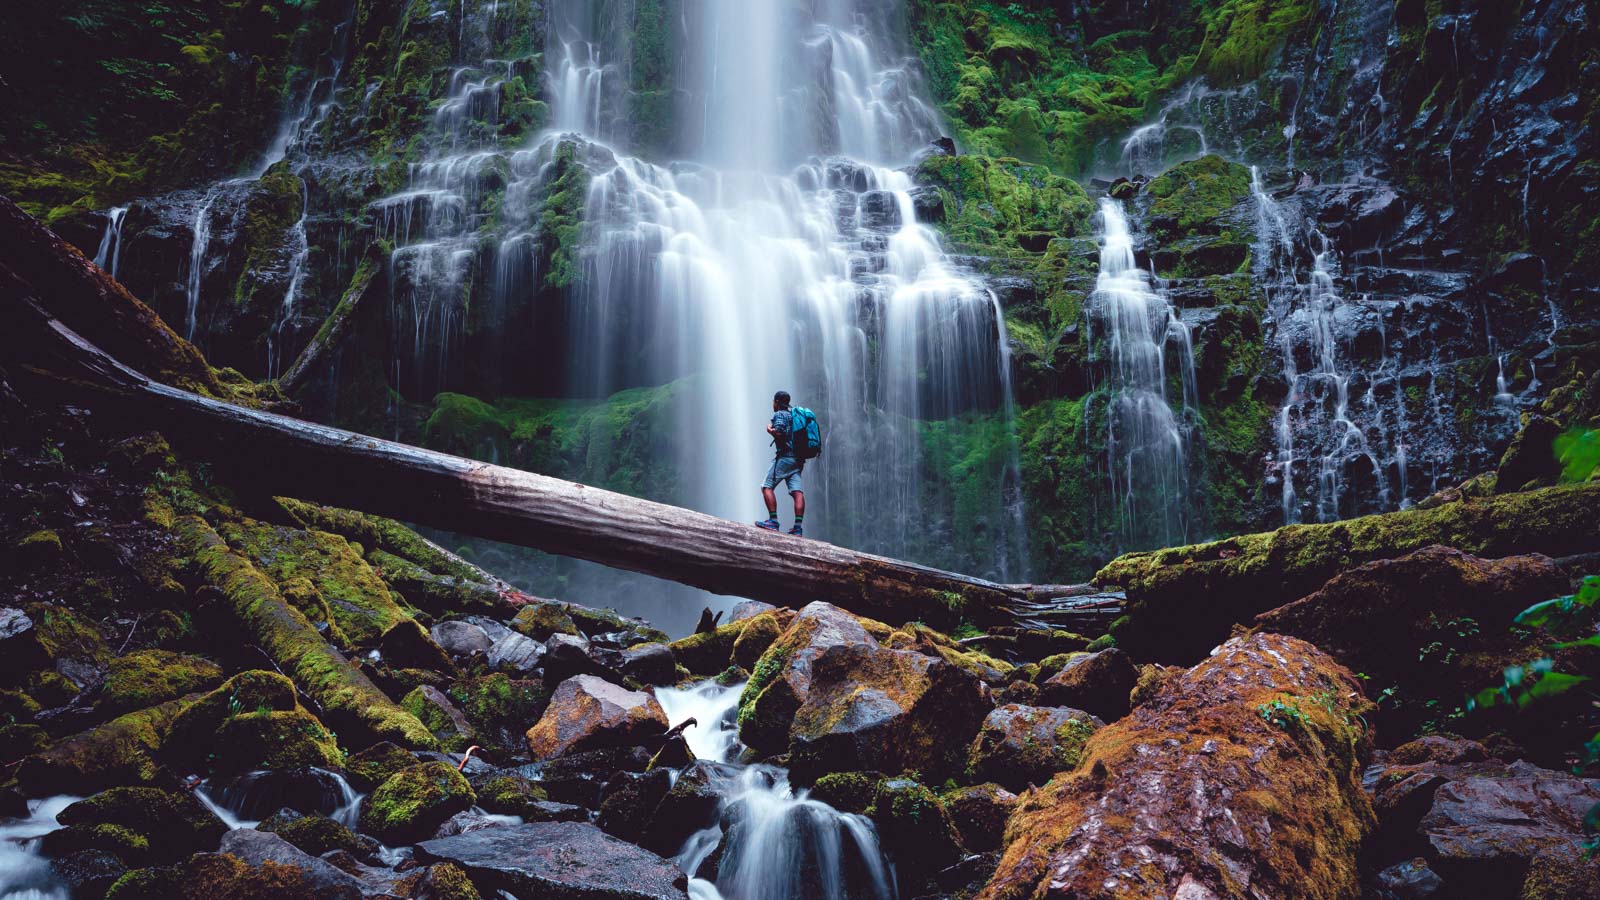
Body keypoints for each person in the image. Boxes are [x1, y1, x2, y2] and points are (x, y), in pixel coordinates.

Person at [755, 390, 805, 535]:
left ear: (776, 402)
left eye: (773, 401)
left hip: (785, 458)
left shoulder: (780, 415)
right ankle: (798, 527)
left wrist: (770, 430)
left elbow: (780, 433)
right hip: (798, 459)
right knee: (797, 492)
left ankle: (773, 521)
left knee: (766, 487)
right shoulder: (794, 416)